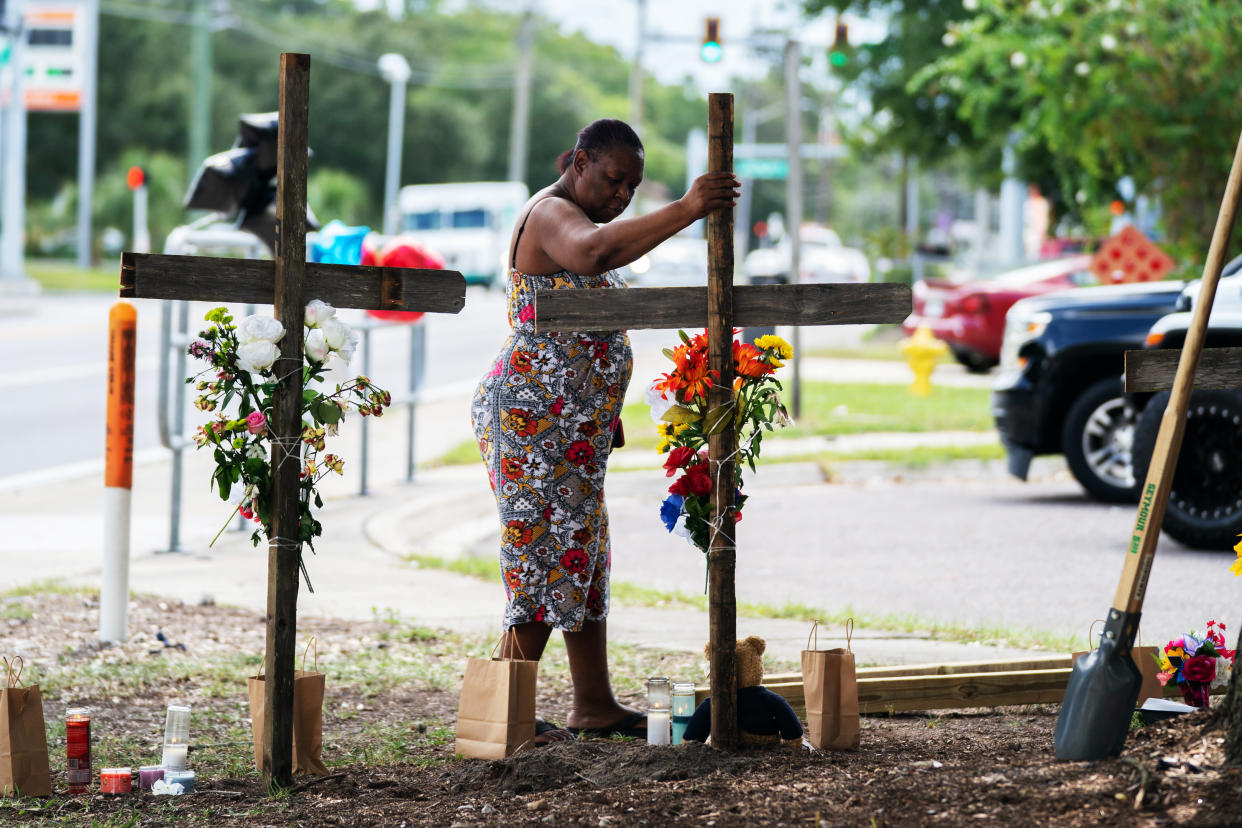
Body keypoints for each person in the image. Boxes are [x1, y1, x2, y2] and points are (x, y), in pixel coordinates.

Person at [470, 118, 738, 743]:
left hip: (572, 429)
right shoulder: (550, 215)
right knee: (540, 561)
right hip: (532, 425)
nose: (622, 195)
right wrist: (687, 207)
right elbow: (597, 253)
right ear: (580, 160)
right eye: (614, 179)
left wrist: (603, 409)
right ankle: (496, 715)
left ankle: (593, 705)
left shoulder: (579, 216)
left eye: (633, 187)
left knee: (582, 559)